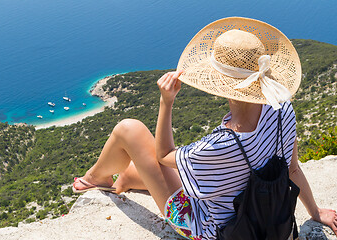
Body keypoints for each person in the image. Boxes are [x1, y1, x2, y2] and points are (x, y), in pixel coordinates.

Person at [73, 17, 337, 239]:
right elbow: (292, 169)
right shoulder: (283, 110)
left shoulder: (217, 147)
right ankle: (125, 179)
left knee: (129, 129)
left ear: (222, 86)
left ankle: (96, 178)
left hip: (213, 231)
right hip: (268, 219)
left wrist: (166, 102)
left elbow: (163, 155)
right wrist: (315, 213)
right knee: (144, 171)